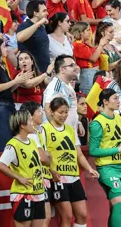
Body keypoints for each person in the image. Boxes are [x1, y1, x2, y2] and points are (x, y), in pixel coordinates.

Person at [40, 97, 98, 227]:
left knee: (82, 215)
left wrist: (89, 169)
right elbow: (42, 156)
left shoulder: (71, 130)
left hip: (74, 177)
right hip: (58, 179)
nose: (64, 115)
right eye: (60, 112)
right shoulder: (45, 129)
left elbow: (79, 154)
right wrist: (51, 170)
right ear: (51, 111)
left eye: (66, 112)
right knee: (67, 216)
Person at [88, 88, 121, 227]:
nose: (119, 101)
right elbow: (93, 150)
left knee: (116, 207)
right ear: (105, 102)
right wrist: (118, 149)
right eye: (115, 98)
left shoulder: (118, 117)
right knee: (120, 204)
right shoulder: (97, 123)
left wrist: (120, 149)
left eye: (118, 98)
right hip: (107, 167)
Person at [0, 109, 46, 227]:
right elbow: (1, 165)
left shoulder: (32, 141)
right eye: (29, 120)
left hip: (38, 193)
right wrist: (19, 178)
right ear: (22, 125)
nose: (32, 122)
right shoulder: (13, 144)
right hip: (23, 195)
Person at [42, 56, 79, 130]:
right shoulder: (56, 86)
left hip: (70, 131)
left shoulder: (67, 85)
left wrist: (78, 122)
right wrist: (58, 131)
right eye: (71, 65)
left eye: (75, 65)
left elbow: (72, 108)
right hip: (59, 135)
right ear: (62, 69)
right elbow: (48, 109)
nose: (76, 67)